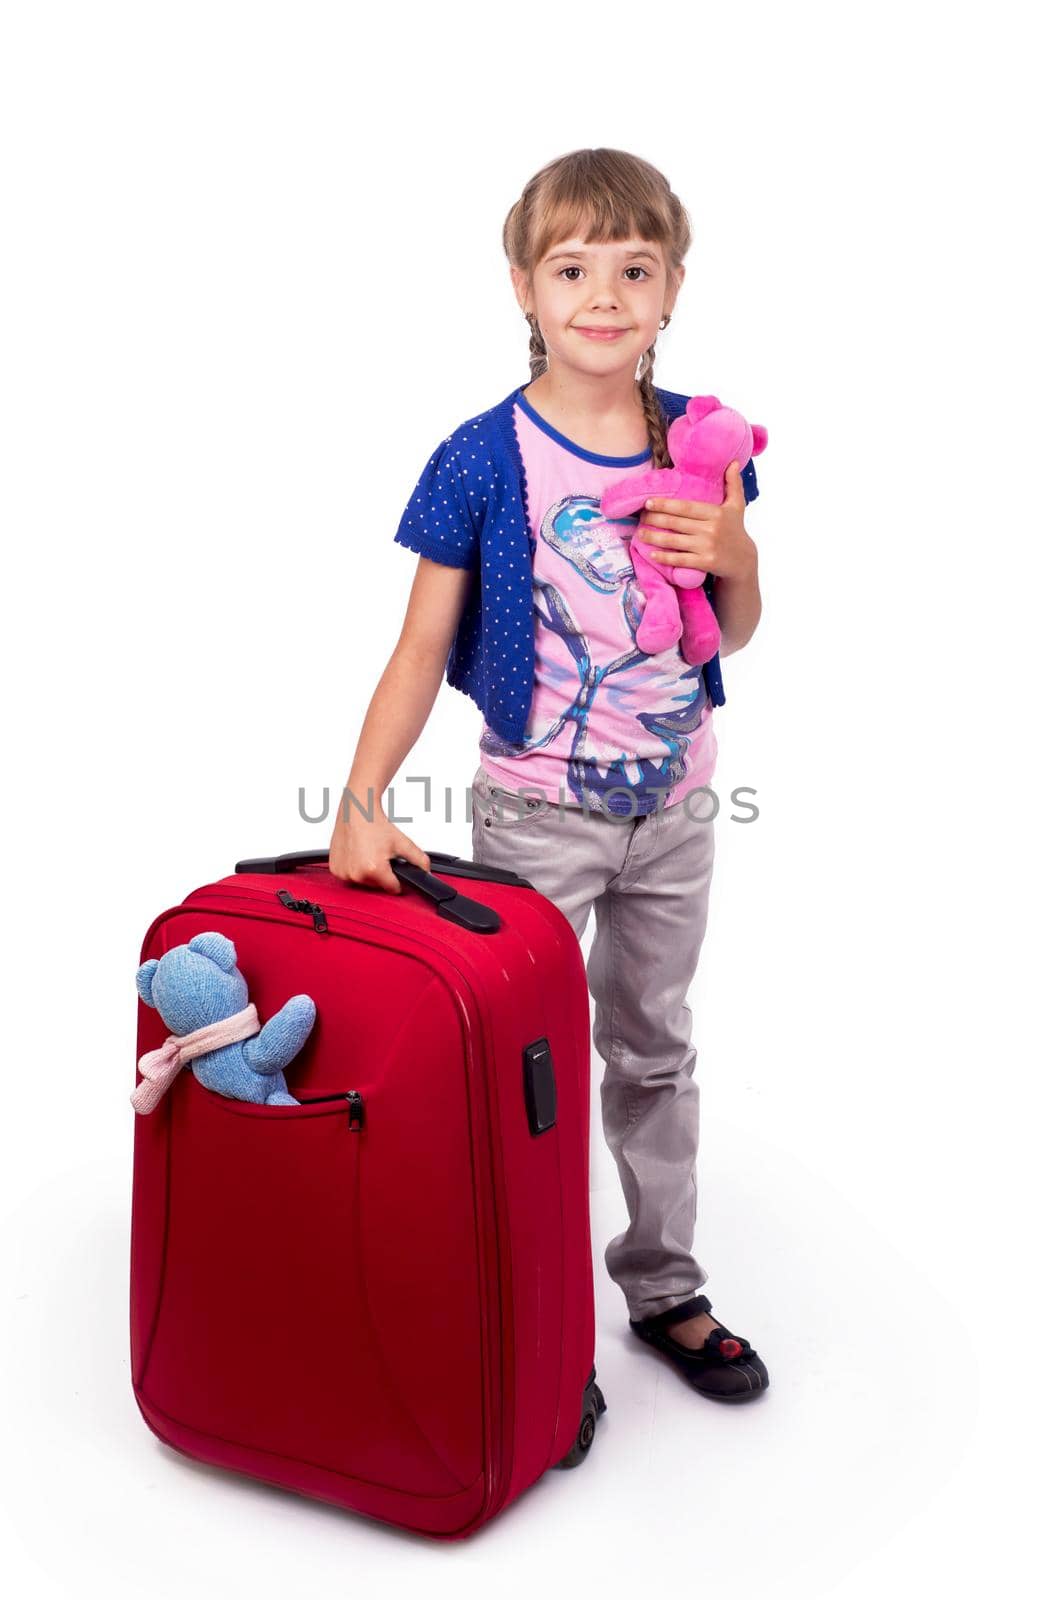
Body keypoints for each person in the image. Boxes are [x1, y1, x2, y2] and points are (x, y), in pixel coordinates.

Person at [328, 147, 769, 1402]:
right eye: (572, 267)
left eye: (633, 268)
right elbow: (419, 648)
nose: (603, 294)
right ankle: (528, 1321)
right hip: (537, 811)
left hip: (676, 801)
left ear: (672, 286)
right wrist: (362, 797)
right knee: (519, 1063)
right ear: (523, 285)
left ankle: (662, 1286)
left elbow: (726, 629)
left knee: (651, 1049)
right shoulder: (481, 458)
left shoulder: (699, 438)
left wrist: (733, 546)